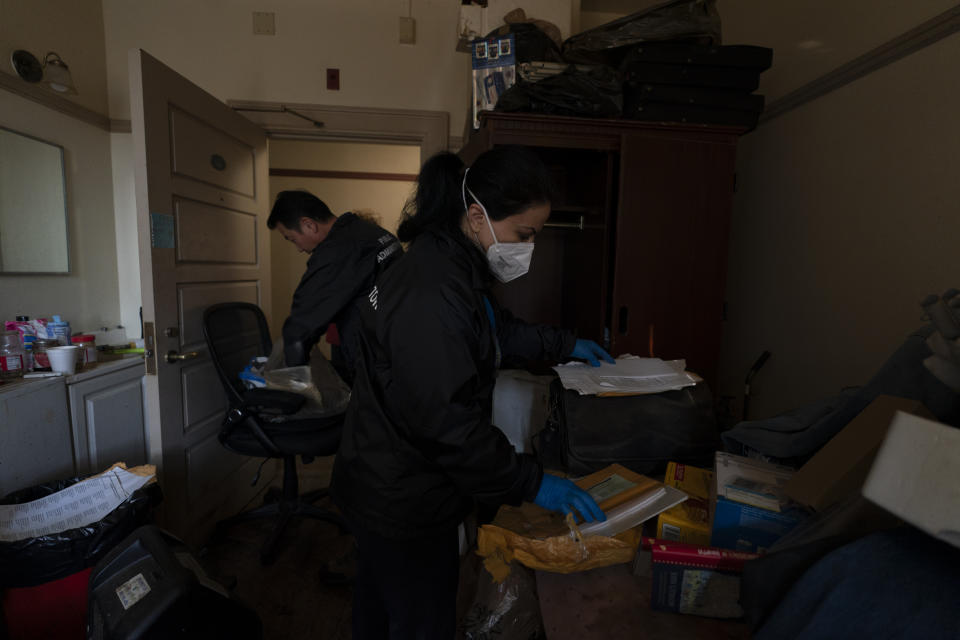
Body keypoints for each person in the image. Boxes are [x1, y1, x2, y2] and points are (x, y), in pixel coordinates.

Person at [330, 147, 615, 639]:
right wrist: (532, 482)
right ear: (478, 215)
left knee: (380, 609)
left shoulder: (454, 263)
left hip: (387, 476)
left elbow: (492, 329)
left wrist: (564, 344)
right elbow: (449, 425)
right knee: (420, 621)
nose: (529, 247)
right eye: (524, 235)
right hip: (401, 495)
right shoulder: (432, 289)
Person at [267, 190, 401, 383]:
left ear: (309, 225)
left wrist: (294, 385)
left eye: (292, 238)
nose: (298, 248)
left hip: (374, 362)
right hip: (399, 348)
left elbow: (301, 326)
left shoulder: (336, 251)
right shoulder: (375, 234)